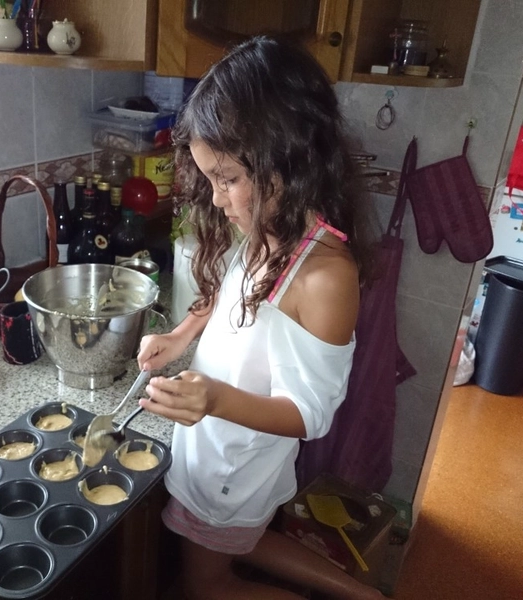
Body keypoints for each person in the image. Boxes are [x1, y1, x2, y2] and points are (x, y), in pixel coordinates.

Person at [136, 36, 384, 600]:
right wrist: (181, 334)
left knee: (208, 586)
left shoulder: (324, 277)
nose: (216, 199)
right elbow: (231, 297)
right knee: (238, 541)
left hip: (234, 466)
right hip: (218, 448)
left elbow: (311, 414)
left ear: (286, 160)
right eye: (210, 179)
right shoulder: (270, 229)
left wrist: (214, 399)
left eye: (226, 179)